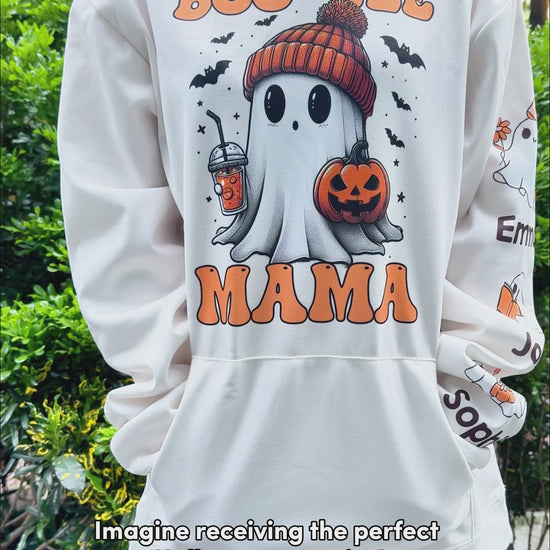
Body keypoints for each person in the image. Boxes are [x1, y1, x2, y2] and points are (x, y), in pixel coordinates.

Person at [58, 0, 544, 548]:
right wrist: (178, 424)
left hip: (433, 512)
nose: (292, 121)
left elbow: (498, 203)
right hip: (209, 507)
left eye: (318, 105)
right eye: (274, 103)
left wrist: (453, 421)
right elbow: (115, 216)